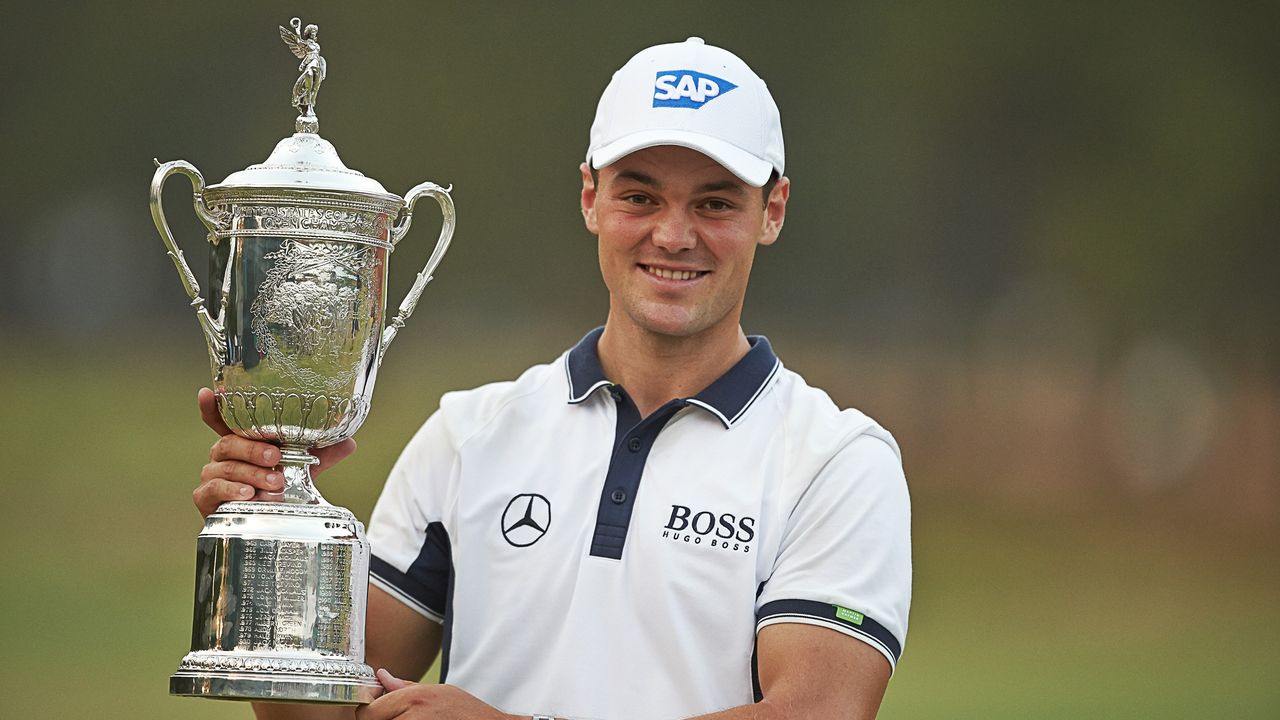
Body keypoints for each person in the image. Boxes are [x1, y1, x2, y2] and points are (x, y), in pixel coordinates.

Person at [194, 37, 912, 720]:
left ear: (773, 211)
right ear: (590, 197)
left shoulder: (837, 462)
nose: (673, 235)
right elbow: (332, 711)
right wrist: (270, 540)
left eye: (716, 203)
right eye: (640, 197)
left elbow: (818, 710)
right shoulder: (469, 435)